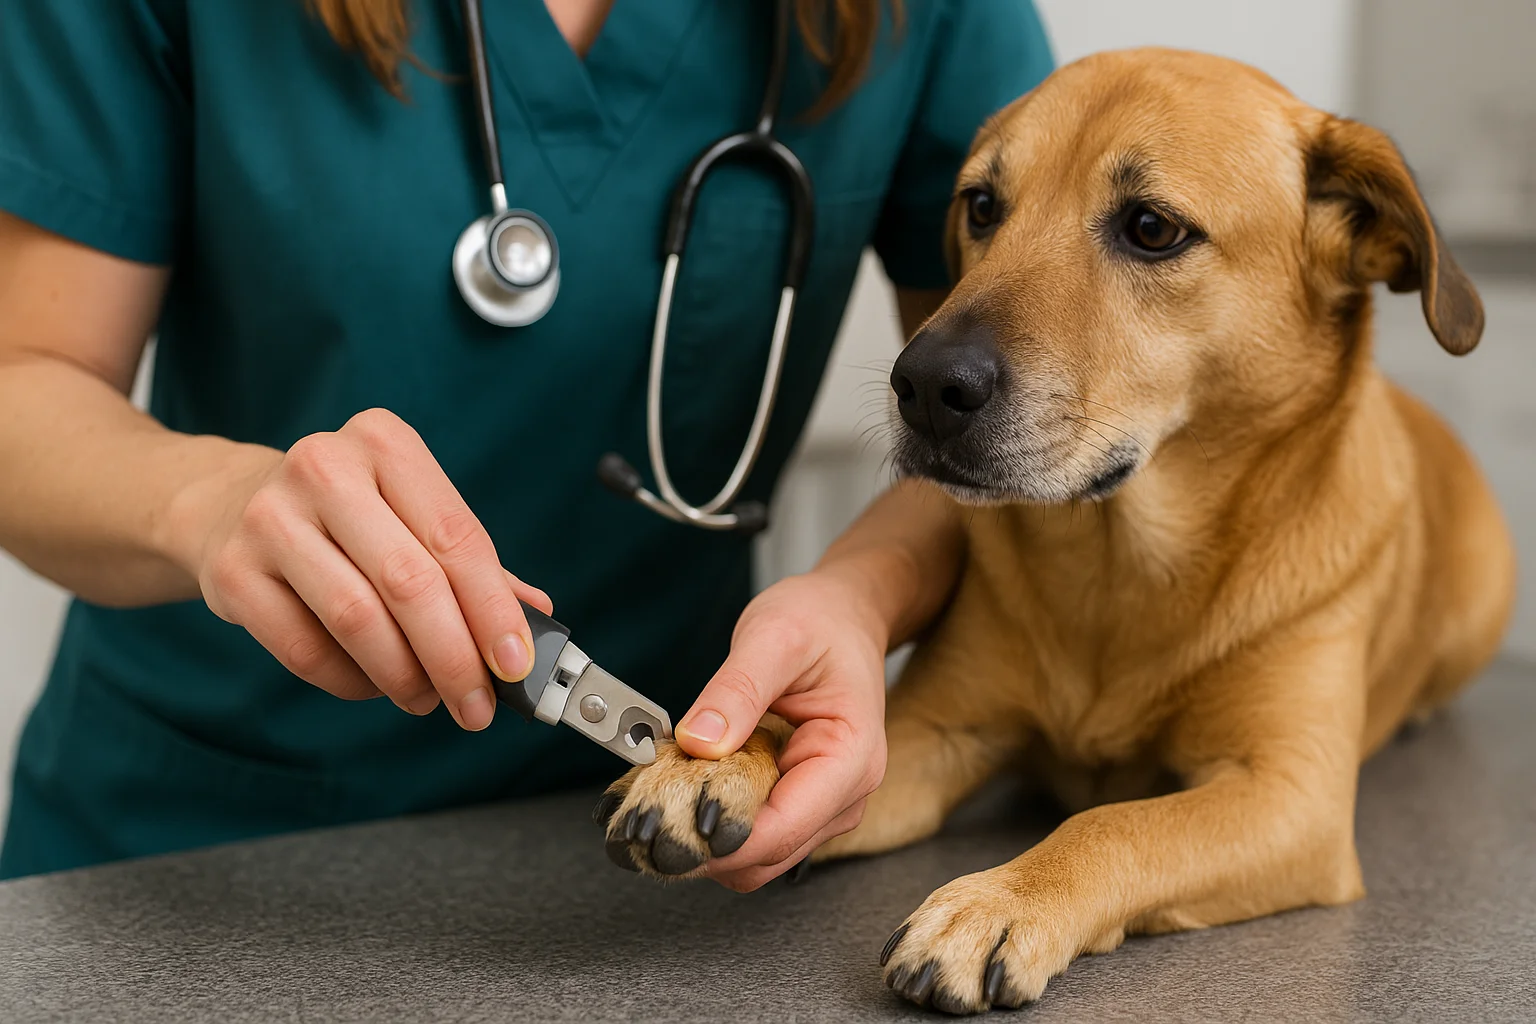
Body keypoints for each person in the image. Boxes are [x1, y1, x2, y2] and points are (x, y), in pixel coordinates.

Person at [0, 0, 1052, 884]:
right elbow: (25, 380)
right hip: (188, 846)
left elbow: (999, 423)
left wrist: (858, 598)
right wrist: (214, 501)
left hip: (664, 842)